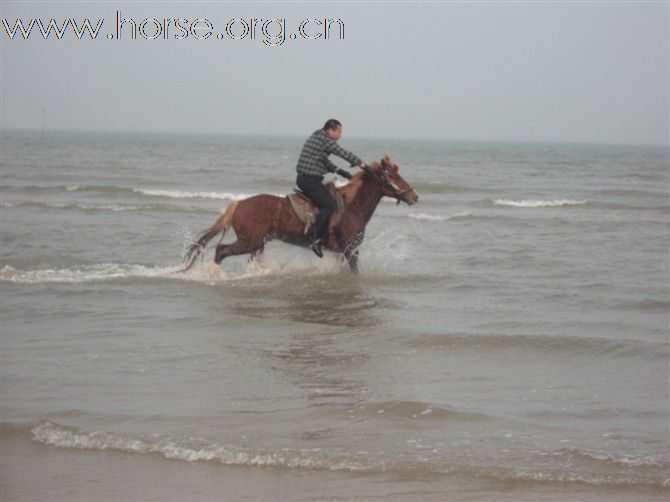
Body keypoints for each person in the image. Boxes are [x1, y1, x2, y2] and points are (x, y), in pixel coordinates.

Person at [296, 119, 367, 257]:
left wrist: (341, 172)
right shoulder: (325, 140)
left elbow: (323, 160)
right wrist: (362, 164)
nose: (340, 135)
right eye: (338, 132)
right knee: (330, 206)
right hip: (309, 180)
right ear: (330, 130)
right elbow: (342, 152)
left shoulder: (317, 136)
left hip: (306, 178)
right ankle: (315, 240)